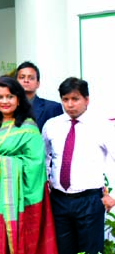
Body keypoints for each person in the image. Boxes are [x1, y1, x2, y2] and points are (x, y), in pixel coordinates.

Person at [0, 76, 57, 254]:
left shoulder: (28, 128)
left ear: (18, 99)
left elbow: (35, 165)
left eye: (9, 96)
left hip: (16, 200)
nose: (4, 101)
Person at [42, 77, 115, 254]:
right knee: (63, 249)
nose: (70, 104)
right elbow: (44, 157)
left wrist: (112, 195)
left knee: (90, 250)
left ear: (86, 99)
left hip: (89, 200)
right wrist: (47, 179)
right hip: (59, 200)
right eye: (65, 99)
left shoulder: (102, 126)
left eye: (75, 99)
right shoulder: (52, 125)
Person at [15, 62, 63, 130]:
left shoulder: (52, 108)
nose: (26, 80)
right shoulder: (6, 107)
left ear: (38, 84)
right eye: (22, 77)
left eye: (31, 78)